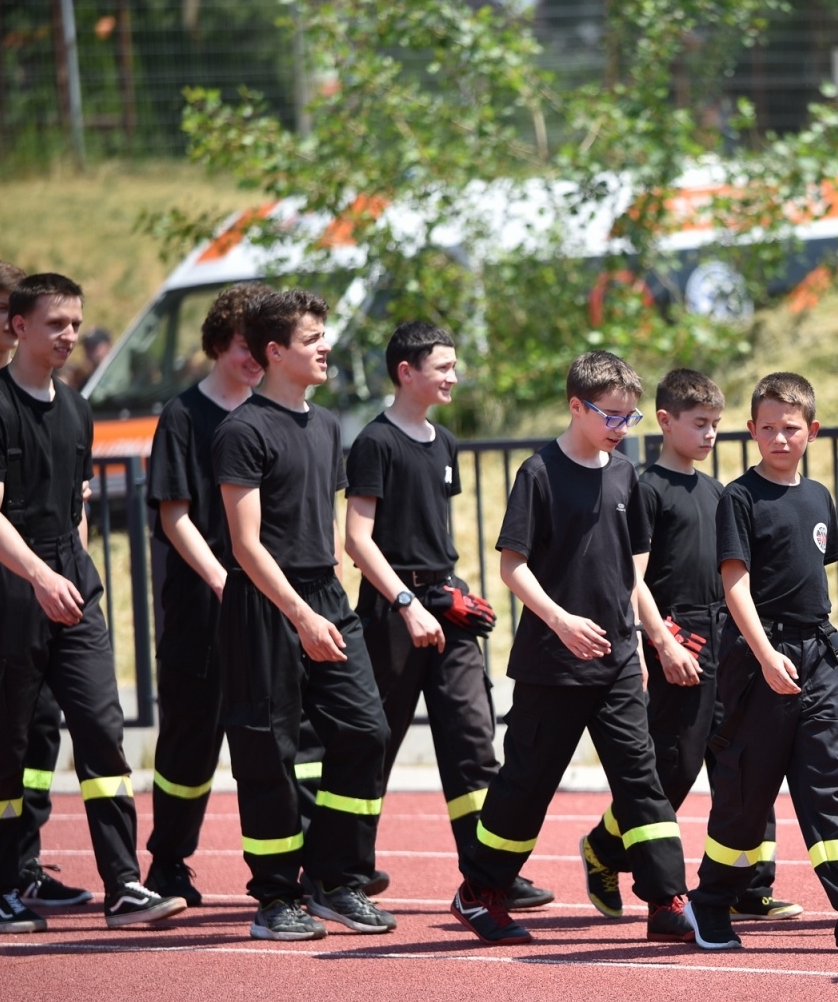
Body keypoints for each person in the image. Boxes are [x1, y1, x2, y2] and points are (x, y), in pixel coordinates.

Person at [0, 273, 186, 933]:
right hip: (8, 588)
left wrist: (75, 574)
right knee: (2, 750)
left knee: (101, 729)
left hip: (70, 584)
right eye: (55, 323)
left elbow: (77, 506)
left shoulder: (78, 407)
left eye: (75, 323)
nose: (69, 335)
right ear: (19, 327)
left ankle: (124, 886)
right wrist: (37, 576)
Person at [448, 350, 691, 945]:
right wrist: (560, 621)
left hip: (615, 662)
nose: (621, 428)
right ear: (576, 406)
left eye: (630, 419)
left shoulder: (624, 474)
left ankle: (666, 898)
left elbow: (632, 567)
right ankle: (479, 891)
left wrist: (646, 637)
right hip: (550, 663)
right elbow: (512, 566)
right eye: (612, 416)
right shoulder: (537, 472)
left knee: (642, 778)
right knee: (528, 783)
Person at [684, 371, 838, 953]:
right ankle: (709, 903)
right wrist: (766, 656)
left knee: (832, 785)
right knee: (748, 796)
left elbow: (816, 575)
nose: (780, 438)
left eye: (791, 428)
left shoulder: (818, 497)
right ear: (751, 432)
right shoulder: (738, 498)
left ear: (812, 431)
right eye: (768, 428)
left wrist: (825, 653)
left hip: (818, 658)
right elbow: (734, 587)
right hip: (759, 659)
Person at [343, 321, 552, 914]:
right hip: (393, 612)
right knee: (373, 742)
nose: (454, 376)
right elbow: (358, 540)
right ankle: (345, 876)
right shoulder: (374, 442)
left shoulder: (445, 442)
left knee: (472, 740)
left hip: (446, 607)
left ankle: (488, 874)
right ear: (406, 372)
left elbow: (432, 531)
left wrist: (448, 591)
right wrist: (408, 603)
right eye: (443, 367)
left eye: (454, 366)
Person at [578, 369, 801, 923]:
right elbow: (632, 580)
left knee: (743, 763)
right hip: (678, 637)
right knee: (673, 769)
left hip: (725, 638)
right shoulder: (645, 489)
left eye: (716, 426)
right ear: (664, 421)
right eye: (699, 424)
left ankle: (749, 885)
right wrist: (663, 642)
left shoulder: (716, 491)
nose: (709, 435)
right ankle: (603, 849)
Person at [211, 288, 394, 941]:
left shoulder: (327, 424)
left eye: (324, 334)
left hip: (325, 596)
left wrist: (326, 604)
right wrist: (298, 616)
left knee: (366, 730)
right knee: (269, 752)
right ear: (275, 352)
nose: (326, 346)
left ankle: (333, 877)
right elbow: (245, 545)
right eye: (312, 337)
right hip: (266, 606)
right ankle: (273, 898)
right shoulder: (242, 430)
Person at [0, 261, 89, 912]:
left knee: (36, 732)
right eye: (1, 308)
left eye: (17, 308)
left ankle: (21, 866)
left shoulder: (44, 393)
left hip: (22, 588)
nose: (12, 320)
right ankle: (1, 876)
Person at [142, 282, 270, 907]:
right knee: (191, 739)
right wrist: (223, 579)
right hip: (200, 606)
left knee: (276, 736)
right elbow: (174, 517)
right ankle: (167, 861)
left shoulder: (271, 416)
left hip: (266, 602)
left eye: (264, 348)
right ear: (220, 343)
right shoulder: (182, 416)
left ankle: (285, 867)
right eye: (247, 346)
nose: (256, 359)